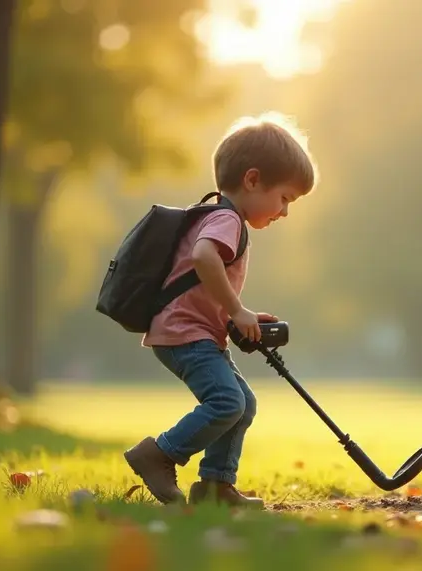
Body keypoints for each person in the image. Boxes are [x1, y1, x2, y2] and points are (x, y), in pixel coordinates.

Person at [122, 112, 316, 507]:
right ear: (252, 180)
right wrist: (236, 307)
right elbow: (203, 257)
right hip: (185, 334)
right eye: (284, 198)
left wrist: (236, 316)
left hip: (193, 331)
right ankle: (158, 454)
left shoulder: (219, 215)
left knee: (243, 405)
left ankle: (215, 486)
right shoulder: (227, 219)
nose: (284, 211)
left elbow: (198, 284)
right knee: (228, 402)